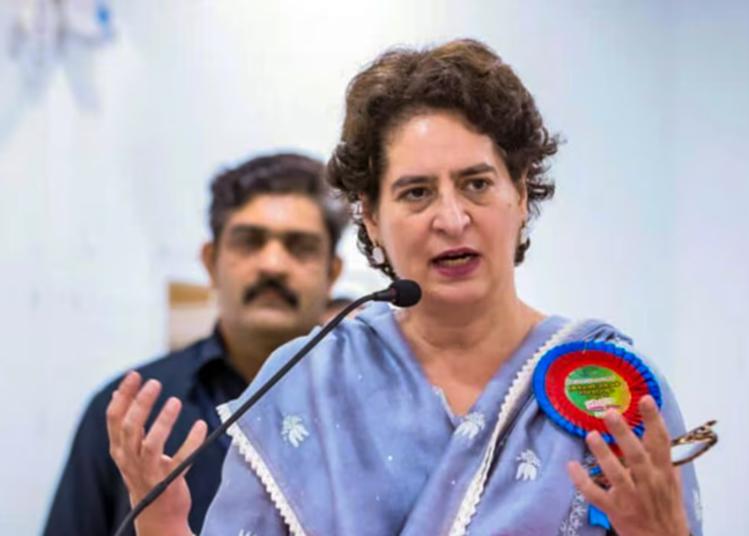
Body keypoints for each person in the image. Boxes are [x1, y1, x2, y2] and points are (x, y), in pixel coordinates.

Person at [107, 40, 703, 535]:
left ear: (521, 194)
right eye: (416, 193)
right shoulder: (306, 381)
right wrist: (164, 526)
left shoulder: (611, 383)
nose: (452, 218)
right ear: (370, 218)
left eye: (476, 184)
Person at [43, 153, 347, 536]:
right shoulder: (130, 414)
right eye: (249, 242)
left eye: (299, 246)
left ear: (332, 272)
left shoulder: (371, 410)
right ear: (210, 261)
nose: (273, 264)